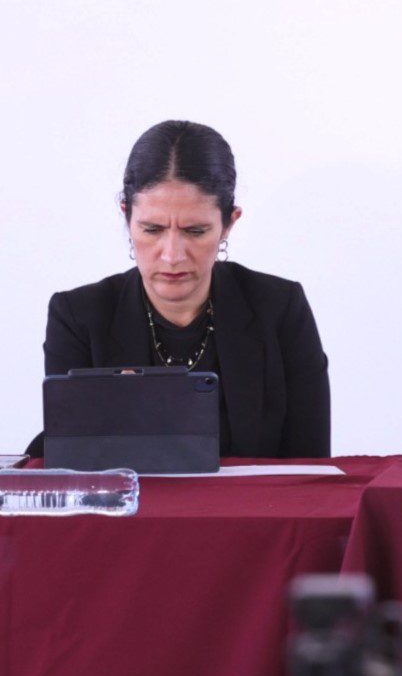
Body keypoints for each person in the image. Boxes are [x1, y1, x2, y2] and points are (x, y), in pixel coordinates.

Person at [30, 120, 330, 458]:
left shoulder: (281, 309)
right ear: (127, 216)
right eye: (152, 229)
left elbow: (313, 470)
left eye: (195, 231)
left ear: (228, 223)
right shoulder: (78, 317)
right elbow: (72, 462)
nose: (172, 255)